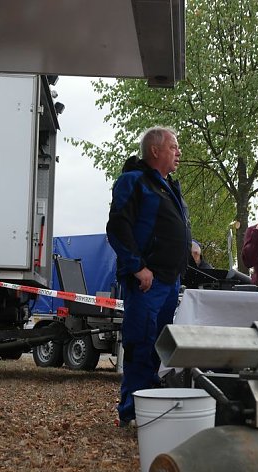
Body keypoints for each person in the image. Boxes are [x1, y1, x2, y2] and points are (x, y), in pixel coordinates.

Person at [106, 126, 191, 426]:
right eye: (173, 146)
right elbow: (118, 227)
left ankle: (151, 409)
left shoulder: (169, 187)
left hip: (169, 282)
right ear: (155, 150)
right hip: (146, 282)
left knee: (159, 347)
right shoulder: (135, 181)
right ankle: (131, 411)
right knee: (140, 344)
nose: (178, 152)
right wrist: (137, 267)